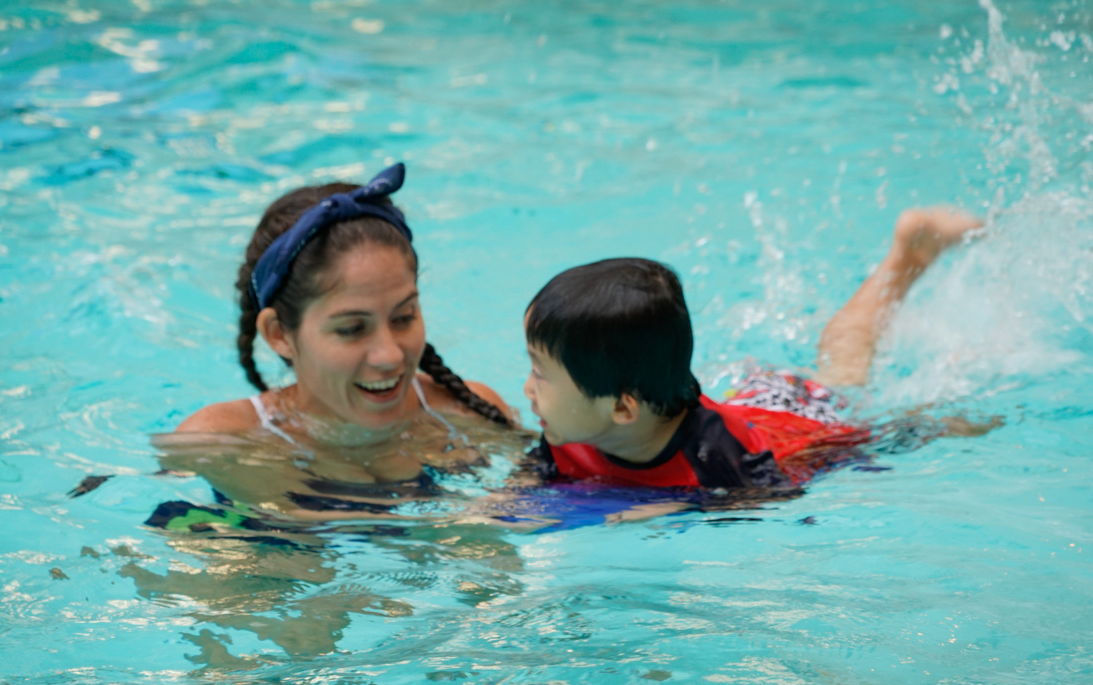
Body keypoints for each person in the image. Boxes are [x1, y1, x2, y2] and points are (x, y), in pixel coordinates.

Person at [522, 208, 984, 490]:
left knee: (845, 371)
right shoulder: (567, 432)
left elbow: (772, 499)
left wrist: (665, 512)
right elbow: (511, 499)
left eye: (540, 374)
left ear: (622, 409)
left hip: (805, 427)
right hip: (748, 403)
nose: (528, 389)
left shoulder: (723, 454)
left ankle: (907, 259)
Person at [161, 163, 525, 514]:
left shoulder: (468, 414)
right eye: (351, 329)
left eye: (404, 317)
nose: (390, 355)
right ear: (279, 334)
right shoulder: (219, 441)